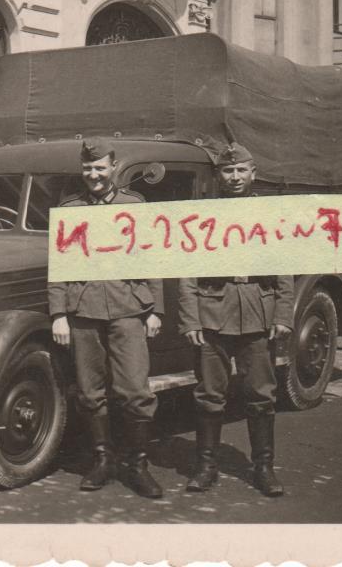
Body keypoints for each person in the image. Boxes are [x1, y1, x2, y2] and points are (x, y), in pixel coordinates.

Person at [48, 138, 165, 498]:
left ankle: (138, 464)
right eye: (88, 168)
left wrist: (155, 309)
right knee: (89, 392)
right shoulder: (70, 209)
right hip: (84, 309)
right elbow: (60, 266)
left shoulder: (135, 206)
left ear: (113, 167)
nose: (94, 175)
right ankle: (102, 460)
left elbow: (150, 260)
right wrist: (59, 314)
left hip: (129, 308)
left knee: (134, 391)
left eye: (100, 168)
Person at [177, 142, 294, 497]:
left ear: (253, 173)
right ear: (218, 175)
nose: (234, 176)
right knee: (209, 394)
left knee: (261, 394)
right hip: (213, 312)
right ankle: (206, 466)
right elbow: (186, 273)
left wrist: (283, 313)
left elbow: (285, 268)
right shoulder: (200, 215)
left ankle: (263, 468)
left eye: (241, 170)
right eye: (228, 171)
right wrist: (191, 320)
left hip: (257, 312)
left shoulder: (270, 214)